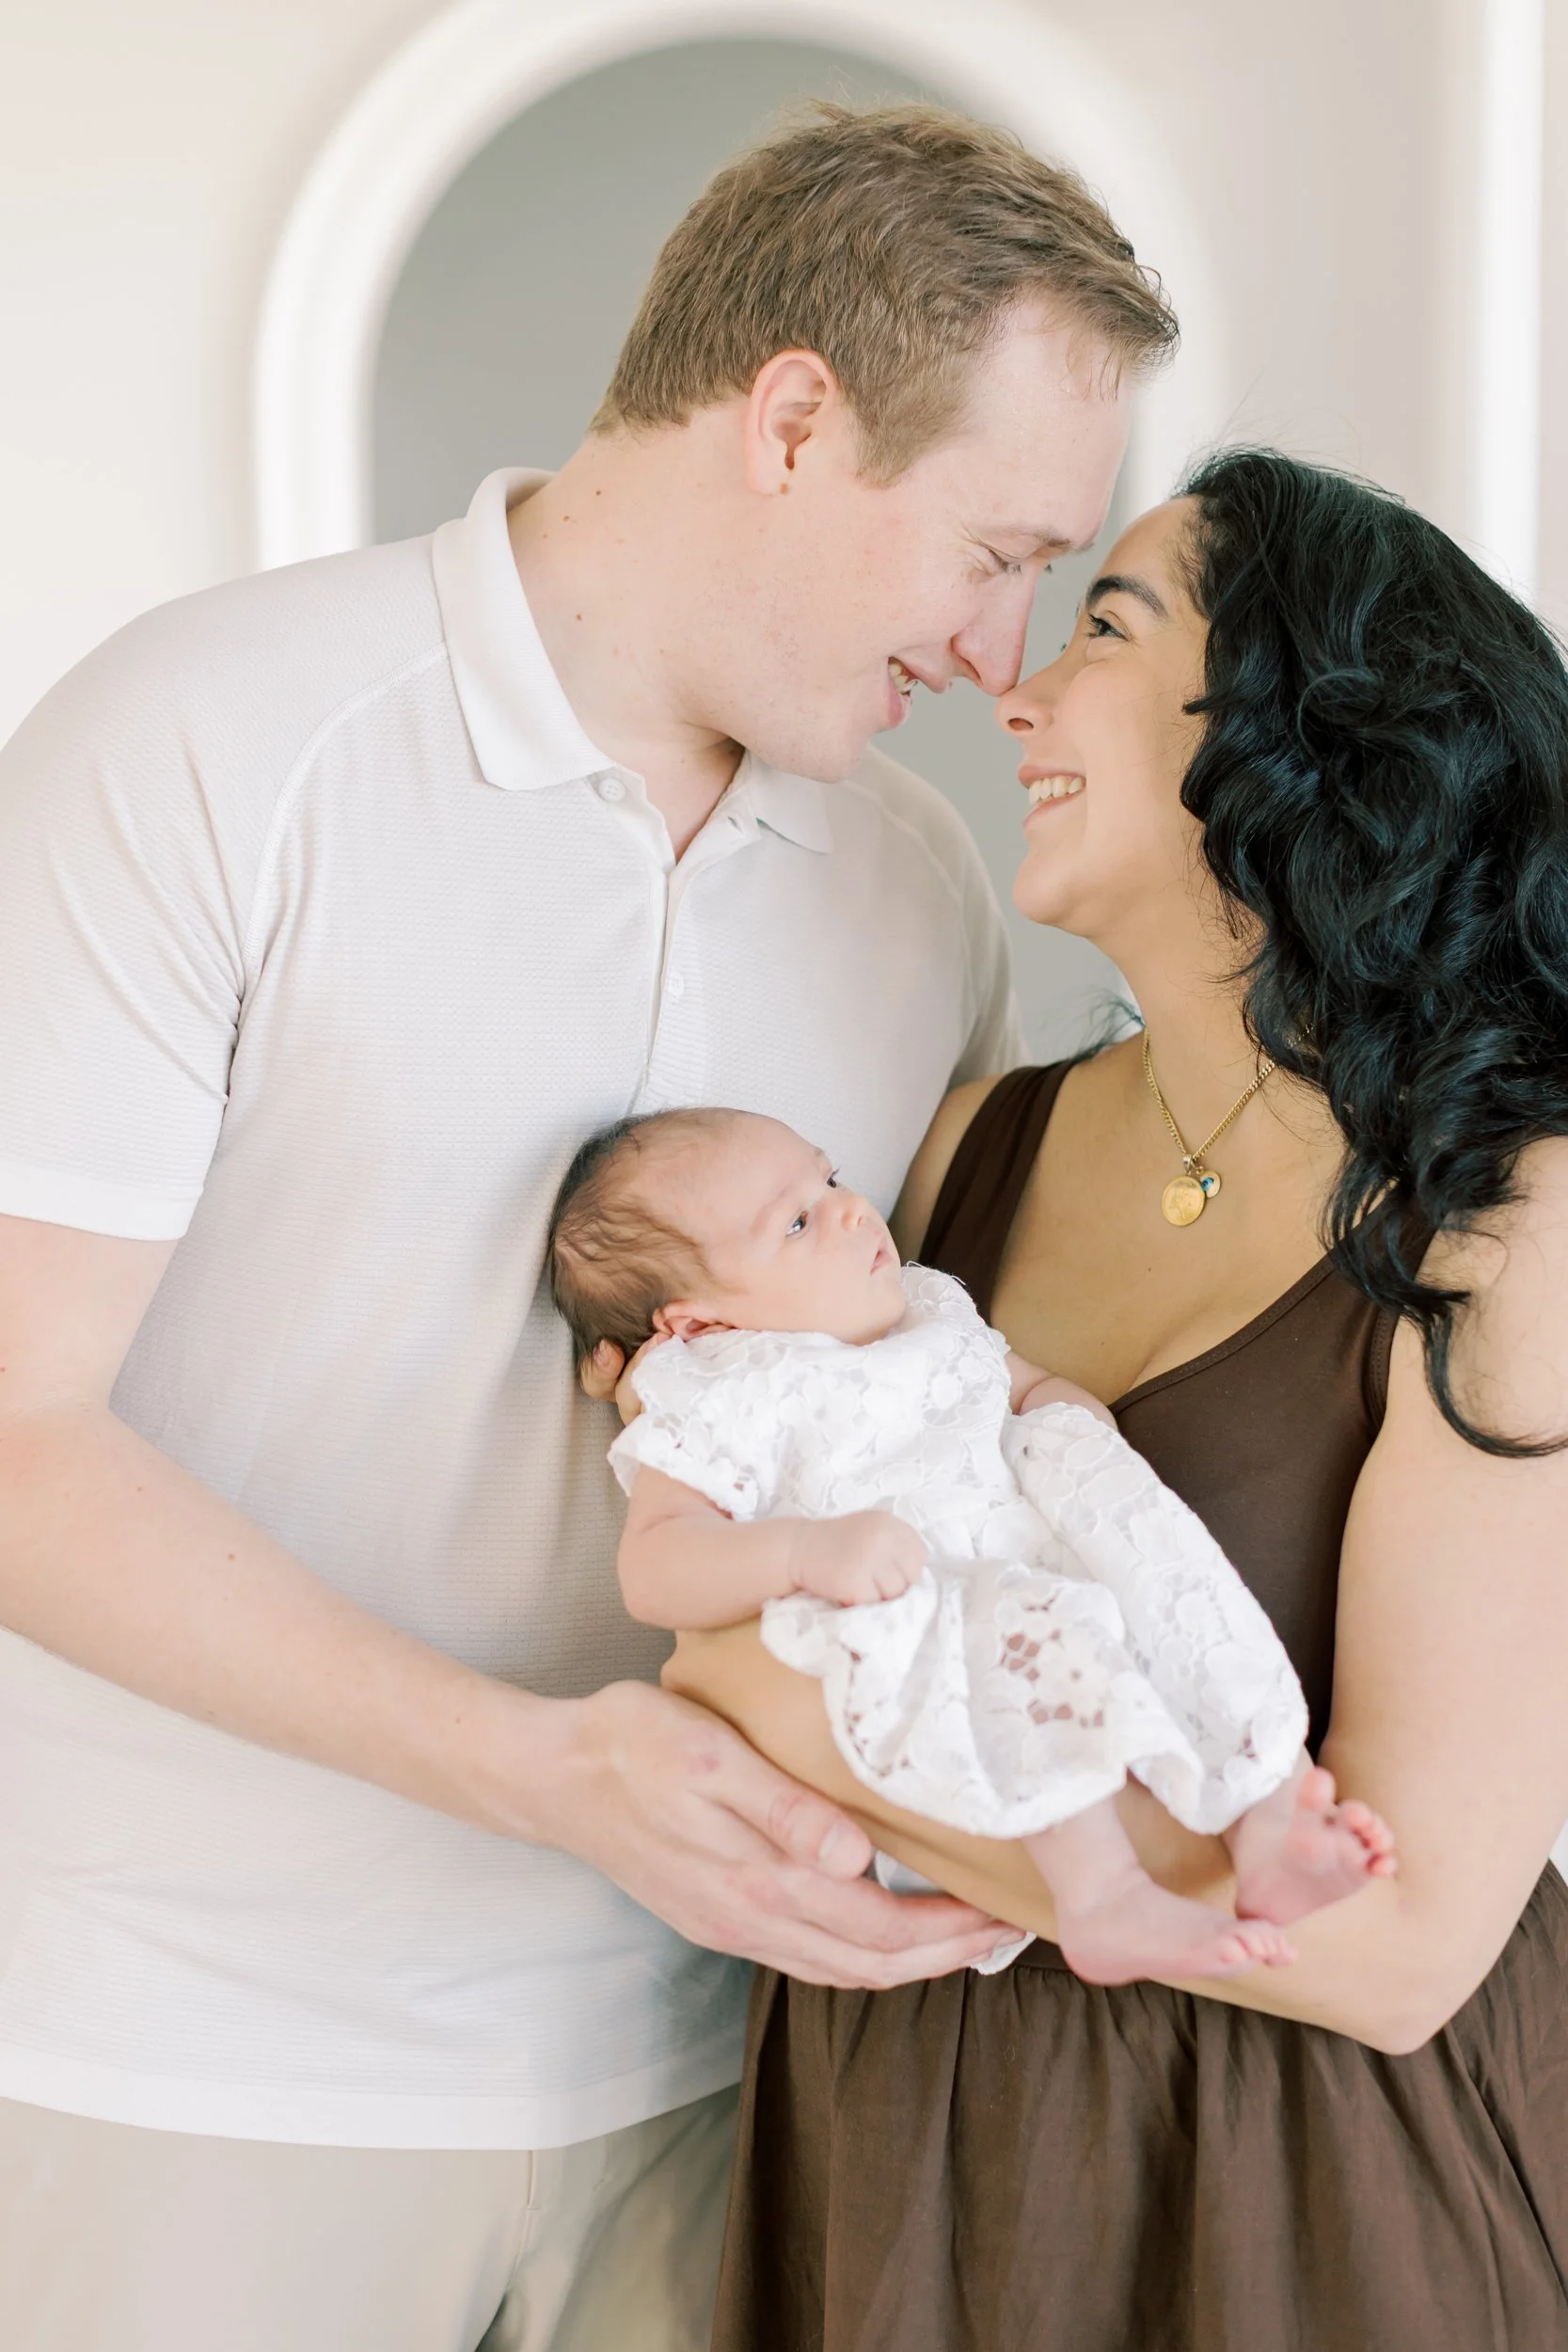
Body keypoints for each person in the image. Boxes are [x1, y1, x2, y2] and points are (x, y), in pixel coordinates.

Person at [0, 105, 1174, 2352]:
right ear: (798, 418)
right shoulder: (206, 744)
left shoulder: (915, 886)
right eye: (987, 547)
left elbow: (920, 1423)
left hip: (709, 2070)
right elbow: (11, 1430)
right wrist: (540, 1774)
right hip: (193, 2061)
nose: (994, 642)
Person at [668, 451, 1568, 2351]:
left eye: (1102, 622)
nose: (1011, 686)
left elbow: (1399, 1949)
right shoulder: (963, 1151)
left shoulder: (1509, 1212)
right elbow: (721, 1599)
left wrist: (833, 1748)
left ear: (1305, 729)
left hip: (1300, 2178)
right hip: (909, 2138)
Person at [550, 1104, 1396, 1987]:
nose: (847, 1210)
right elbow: (654, 1568)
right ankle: (1103, 1896)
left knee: (1165, 1575)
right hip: (913, 1609)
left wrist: (1072, 1424)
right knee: (1024, 1626)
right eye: (796, 1223)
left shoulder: (922, 1304)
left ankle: (1267, 1817)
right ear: (700, 1327)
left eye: (829, 1178)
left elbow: (1012, 1381)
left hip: (1032, 1549)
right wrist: (801, 1552)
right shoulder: (729, 1391)